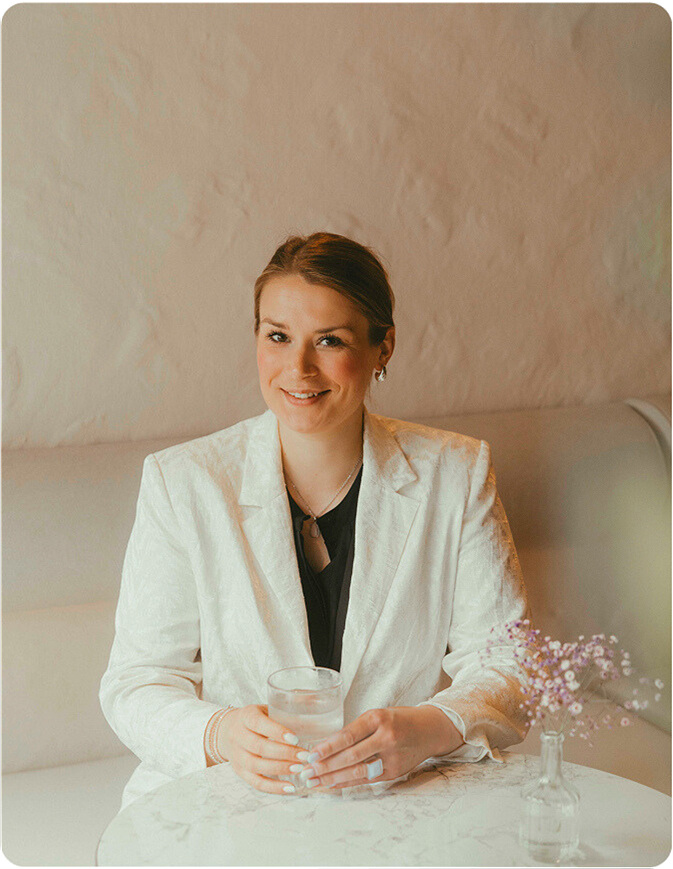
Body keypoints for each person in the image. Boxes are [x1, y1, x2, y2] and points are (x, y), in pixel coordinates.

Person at [100, 232, 530, 809]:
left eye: (330, 340)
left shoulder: (457, 472)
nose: (298, 368)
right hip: (234, 806)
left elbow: (509, 665)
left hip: (400, 802)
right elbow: (136, 682)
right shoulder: (183, 483)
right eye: (278, 336)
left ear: (383, 348)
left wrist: (430, 728)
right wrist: (220, 734)